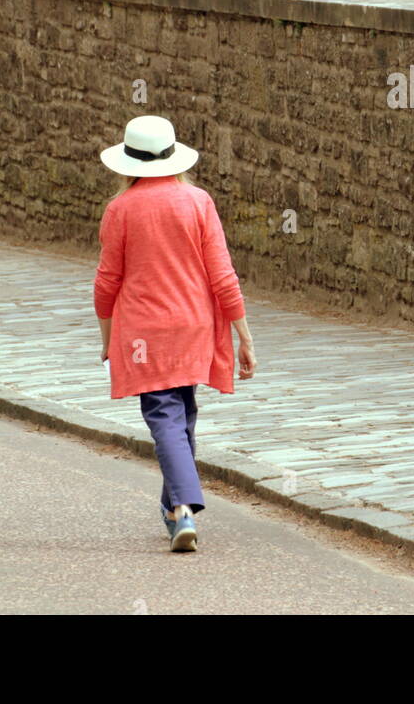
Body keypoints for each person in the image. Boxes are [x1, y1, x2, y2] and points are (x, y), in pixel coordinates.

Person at [93, 115, 257, 552]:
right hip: (194, 324)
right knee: (182, 410)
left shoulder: (120, 210)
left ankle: (182, 508)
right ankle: (172, 509)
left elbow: (107, 281)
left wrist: (106, 335)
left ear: (129, 162)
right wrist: (244, 334)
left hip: (146, 331)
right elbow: (222, 274)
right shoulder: (198, 201)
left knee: (164, 413)